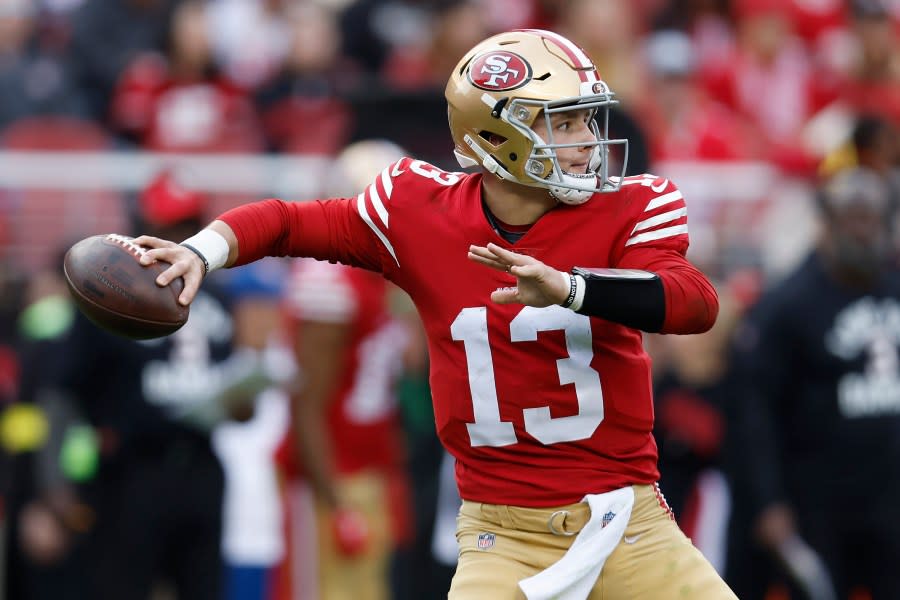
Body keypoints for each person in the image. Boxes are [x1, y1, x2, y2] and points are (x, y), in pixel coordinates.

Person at [136, 29, 735, 598]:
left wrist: (572, 288)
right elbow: (290, 222)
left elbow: (692, 301)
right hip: (505, 534)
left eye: (585, 119)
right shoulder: (418, 211)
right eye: (565, 123)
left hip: (628, 519)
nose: (587, 141)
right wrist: (200, 251)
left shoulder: (634, 205)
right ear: (501, 139)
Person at [38, 170, 269, 600]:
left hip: (202, 466)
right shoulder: (109, 295)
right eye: (171, 225)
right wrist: (54, 484)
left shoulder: (219, 297)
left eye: (189, 224)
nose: (180, 236)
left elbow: (242, 409)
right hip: (132, 468)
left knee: (205, 588)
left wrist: (246, 394)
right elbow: (63, 392)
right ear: (145, 226)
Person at [725, 166, 900, 600]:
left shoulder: (894, 287)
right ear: (827, 224)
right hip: (818, 503)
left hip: (890, 496)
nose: (864, 230)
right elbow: (754, 412)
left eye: (872, 218)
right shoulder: (787, 306)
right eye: (853, 219)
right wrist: (768, 501)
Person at [270, 140, 414, 600]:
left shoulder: (385, 278)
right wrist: (335, 503)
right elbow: (306, 405)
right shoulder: (330, 282)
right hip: (331, 477)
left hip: (370, 468)